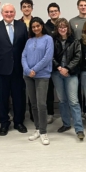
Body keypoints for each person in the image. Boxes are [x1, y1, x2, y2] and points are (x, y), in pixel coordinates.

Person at [0, 3, 29, 136]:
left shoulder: (22, 26)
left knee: (19, 97)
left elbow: (26, 48)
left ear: (15, 13)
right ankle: (4, 123)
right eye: (6, 12)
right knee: (3, 97)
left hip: (19, 69)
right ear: (2, 12)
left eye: (11, 12)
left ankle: (18, 122)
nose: (9, 14)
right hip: (1, 70)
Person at [22, 17, 54, 145]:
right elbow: (23, 55)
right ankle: (37, 128)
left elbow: (47, 57)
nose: (36, 28)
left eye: (38, 26)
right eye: (33, 27)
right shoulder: (29, 41)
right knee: (33, 104)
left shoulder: (48, 39)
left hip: (42, 75)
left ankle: (43, 131)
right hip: (28, 76)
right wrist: (26, 69)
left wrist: (34, 69)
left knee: (41, 104)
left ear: (42, 26)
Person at [51, 18, 85, 141]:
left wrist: (67, 69)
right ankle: (66, 124)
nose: (62, 29)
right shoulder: (53, 41)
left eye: (64, 27)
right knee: (62, 100)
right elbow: (51, 56)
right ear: (57, 29)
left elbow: (78, 57)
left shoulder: (75, 41)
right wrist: (59, 68)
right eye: (60, 27)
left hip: (71, 74)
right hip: (57, 73)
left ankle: (79, 129)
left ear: (68, 28)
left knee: (74, 101)